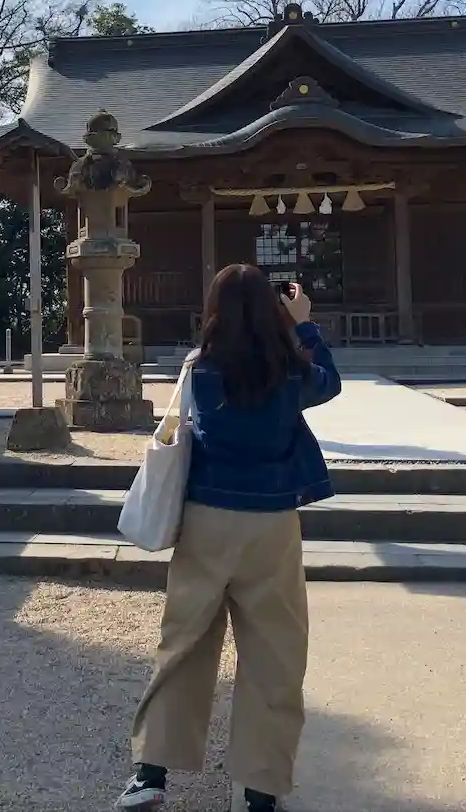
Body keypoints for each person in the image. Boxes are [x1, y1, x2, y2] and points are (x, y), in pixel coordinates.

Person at [117, 264, 341, 812]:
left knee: (184, 642)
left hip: (206, 518)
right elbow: (330, 382)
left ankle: (150, 774)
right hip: (271, 523)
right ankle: (260, 792)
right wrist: (304, 324)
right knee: (274, 655)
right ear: (270, 309)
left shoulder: (201, 368)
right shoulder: (289, 372)